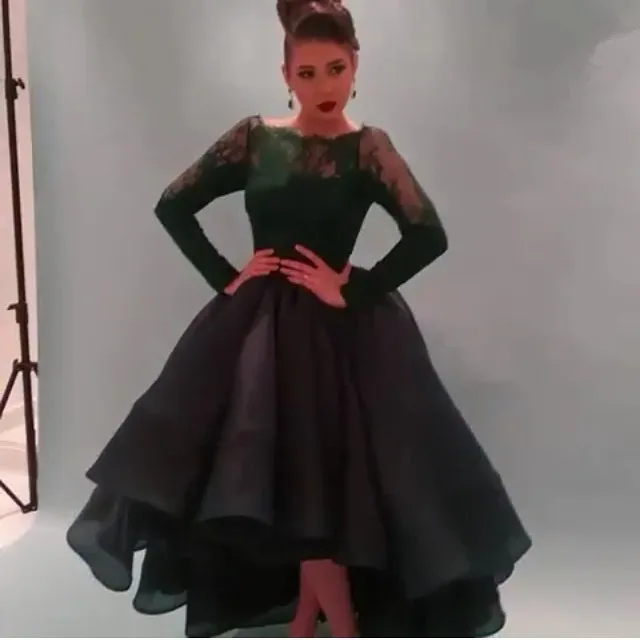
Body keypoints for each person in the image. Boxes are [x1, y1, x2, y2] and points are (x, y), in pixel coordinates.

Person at [66, 0, 531, 637]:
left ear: (356, 64)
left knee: (324, 488)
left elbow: (428, 234)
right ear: (286, 75)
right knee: (290, 485)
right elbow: (174, 204)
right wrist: (226, 276)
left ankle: (323, 622)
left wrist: (356, 288)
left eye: (335, 69)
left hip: (344, 338)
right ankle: (319, 620)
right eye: (307, 73)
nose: (323, 86)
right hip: (259, 335)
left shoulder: (369, 148)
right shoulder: (255, 138)